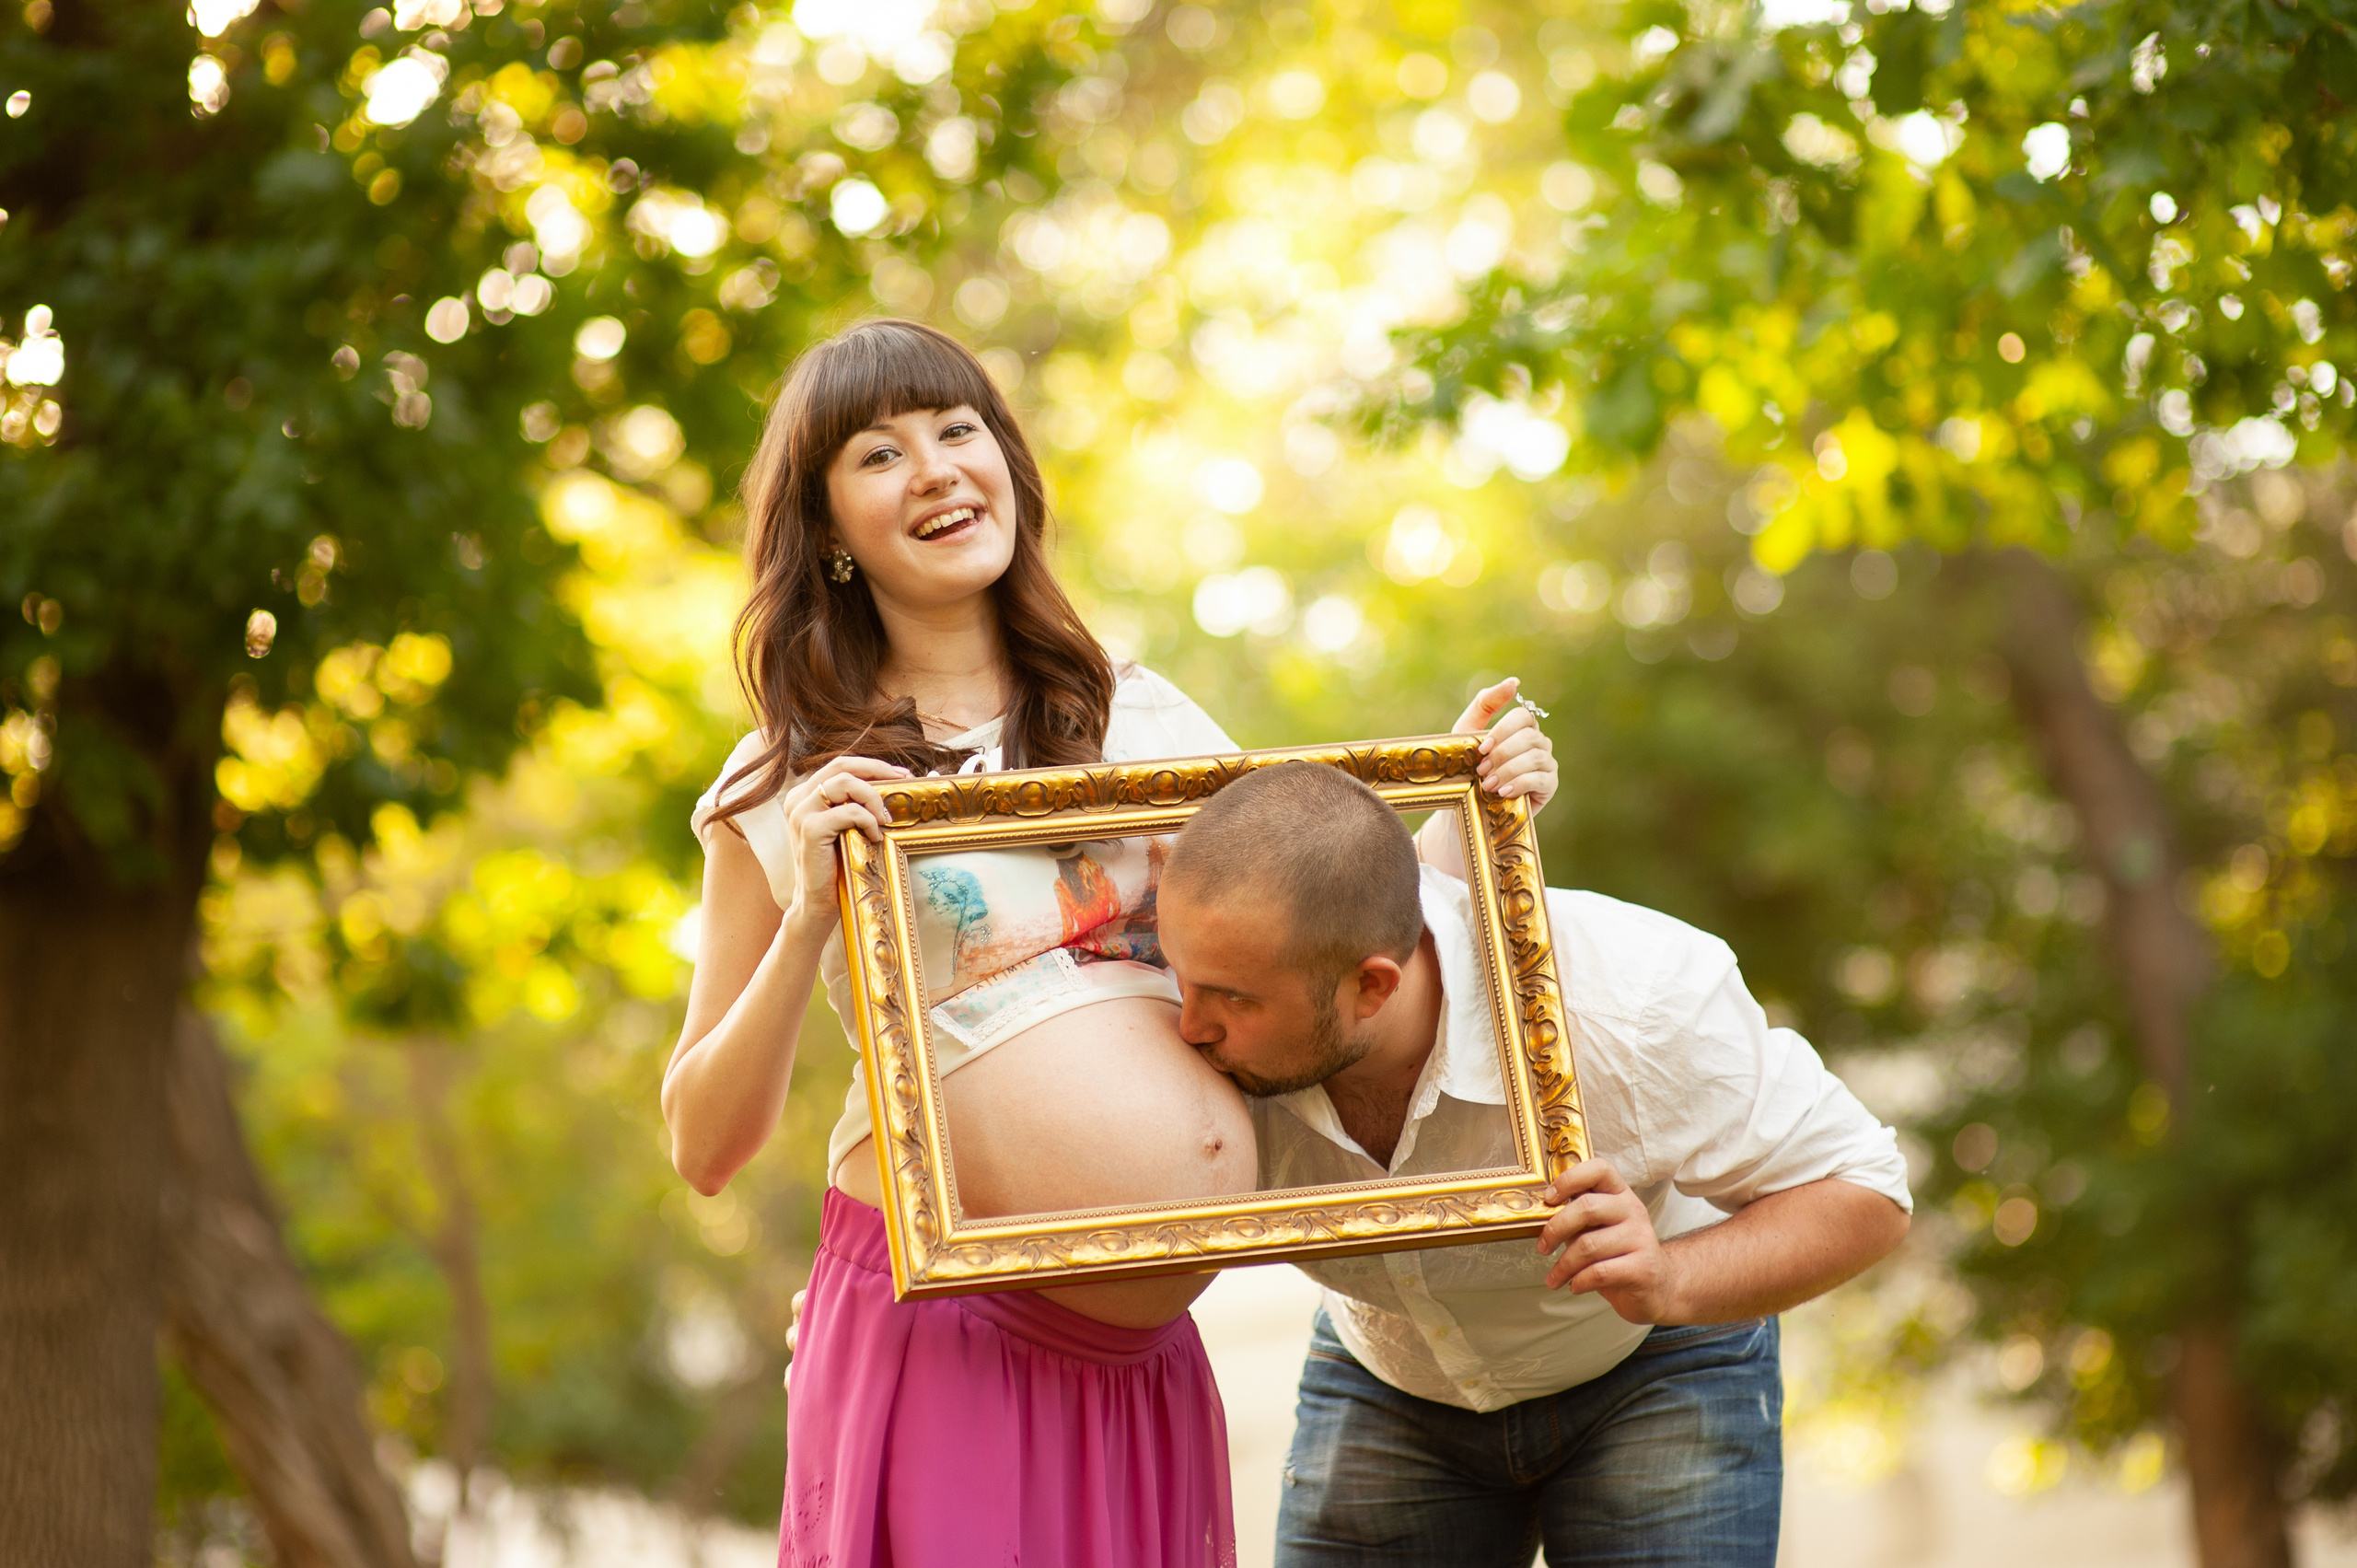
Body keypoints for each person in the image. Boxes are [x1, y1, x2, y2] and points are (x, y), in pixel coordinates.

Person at [658, 319, 1556, 1568]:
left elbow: (1340, 944)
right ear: (825, 531)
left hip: (1139, 1366)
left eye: (959, 429)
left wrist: (1475, 805)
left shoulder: (1142, 712)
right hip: (954, 1338)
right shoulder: (783, 780)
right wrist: (812, 904)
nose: (934, 468)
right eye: (879, 451)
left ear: (1011, 469)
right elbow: (706, 1143)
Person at [1155, 761, 1912, 1568]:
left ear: (1373, 987)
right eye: (1182, 978)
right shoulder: (1201, 1022)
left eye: (1232, 998)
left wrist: (1670, 1277)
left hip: (1653, 1366)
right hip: (1390, 1372)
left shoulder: (1632, 996)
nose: (1188, 1026)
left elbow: (1865, 1190)